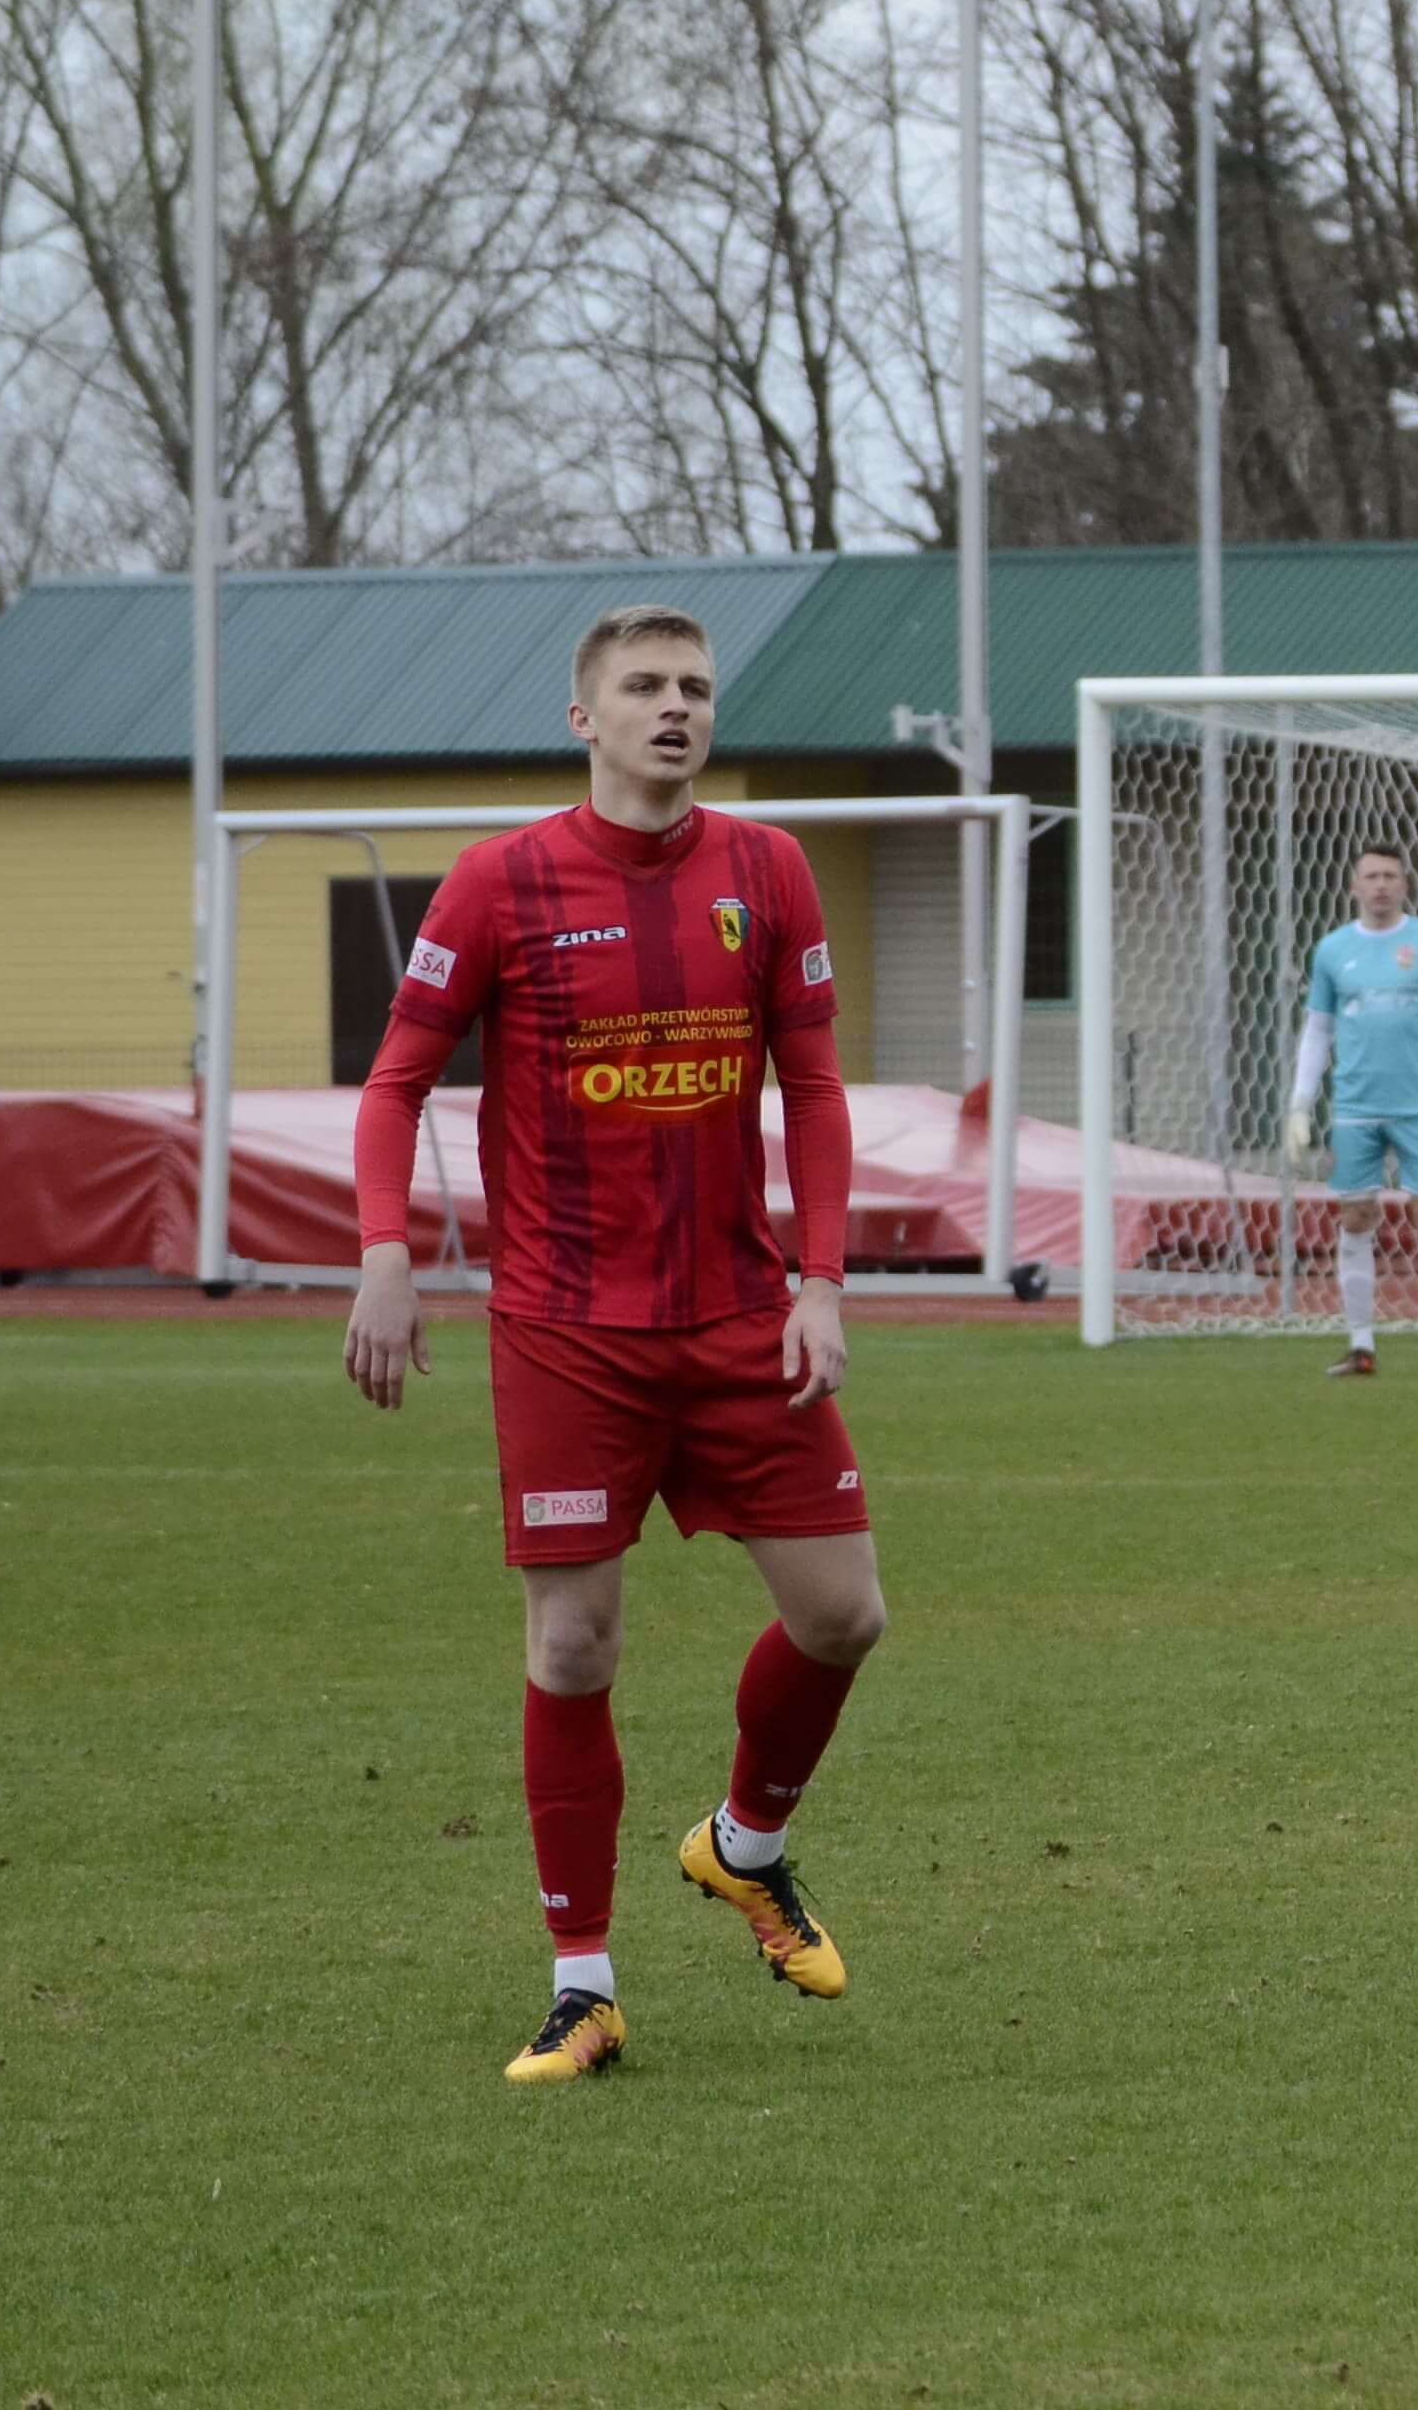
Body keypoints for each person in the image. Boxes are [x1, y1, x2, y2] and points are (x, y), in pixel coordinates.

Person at [341, 603, 881, 2087]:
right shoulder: (501, 881)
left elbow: (817, 1086)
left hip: (735, 1315)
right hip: (569, 1332)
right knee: (574, 1644)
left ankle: (743, 1846)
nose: (675, 706)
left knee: (846, 1616)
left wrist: (820, 1281)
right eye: (643, 686)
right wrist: (387, 1257)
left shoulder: (765, 870)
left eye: (695, 688)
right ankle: (585, 1986)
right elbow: (394, 1085)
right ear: (584, 717)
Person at [1283, 842, 1418, 1378]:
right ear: (1353, 885)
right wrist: (1300, 1104)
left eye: (1389, 876)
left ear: (1404, 884)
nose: (1379, 885)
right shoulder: (1332, 951)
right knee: (1354, 1216)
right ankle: (1360, 1344)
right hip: (1354, 1107)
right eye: (1370, 875)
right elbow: (1317, 1031)